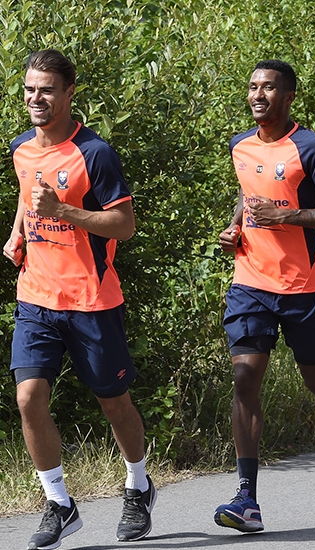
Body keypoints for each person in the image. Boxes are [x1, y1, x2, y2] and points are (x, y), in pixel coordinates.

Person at [4, 49, 156, 549]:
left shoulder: (94, 153)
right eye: (30, 89)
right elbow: (30, 199)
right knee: (28, 397)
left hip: (92, 300)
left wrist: (66, 211)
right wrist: (18, 233)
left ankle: (138, 484)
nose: (36, 98)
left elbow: (125, 226)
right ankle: (59, 502)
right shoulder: (21, 148)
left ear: (70, 93)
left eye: (46, 89)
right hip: (36, 297)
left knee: (113, 404)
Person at [214, 59, 315, 532]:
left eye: (269, 88)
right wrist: (236, 226)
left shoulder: (310, 147)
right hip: (251, 282)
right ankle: (246, 499)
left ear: (289, 96)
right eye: (252, 86)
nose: (258, 95)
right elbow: (247, 192)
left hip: (304, 288)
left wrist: (289, 217)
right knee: (244, 379)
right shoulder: (240, 145)